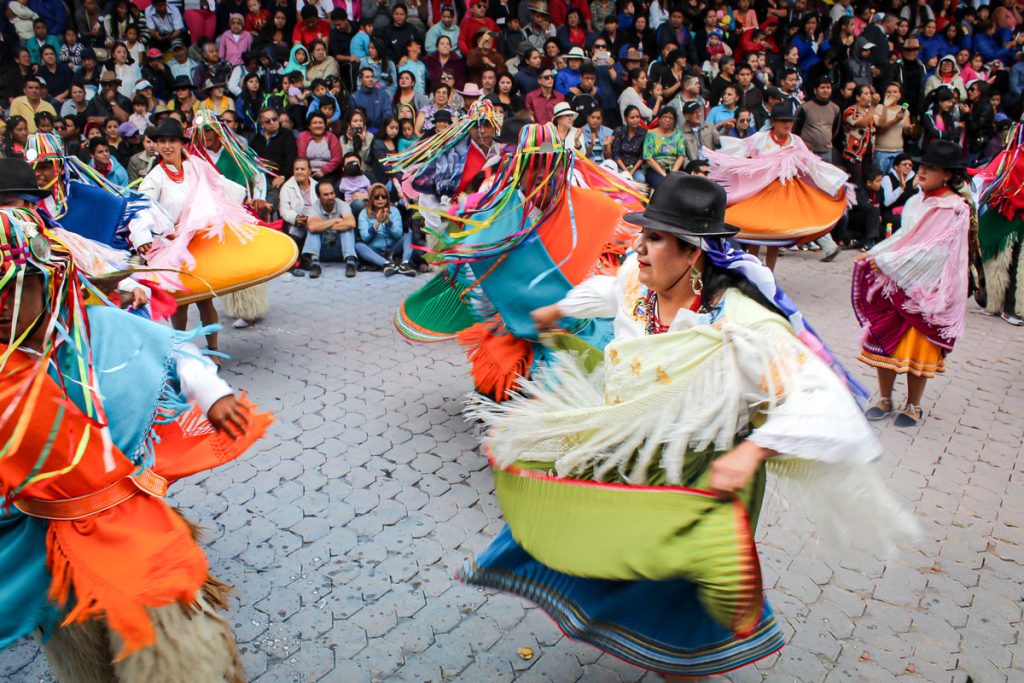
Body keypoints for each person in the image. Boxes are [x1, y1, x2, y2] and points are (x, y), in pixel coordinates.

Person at [465, 172, 913, 681]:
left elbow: (818, 395)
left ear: (693, 253)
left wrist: (753, 452)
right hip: (633, 454)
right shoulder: (640, 277)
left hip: (698, 478)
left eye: (655, 238)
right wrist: (559, 310)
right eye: (643, 233)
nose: (639, 247)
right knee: (612, 551)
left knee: (679, 603)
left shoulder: (738, 322)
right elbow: (612, 289)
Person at [0, 157, 271, 682]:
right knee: (82, 658)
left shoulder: (96, 329)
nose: (5, 305)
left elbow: (169, 353)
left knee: (174, 654)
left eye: (17, 289)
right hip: (50, 544)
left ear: (49, 280)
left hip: (129, 526)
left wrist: (214, 396)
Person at [853, 140, 973, 427]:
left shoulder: (954, 209)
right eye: (922, 166)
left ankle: (913, 405)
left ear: (947, 175)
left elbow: (933, 251)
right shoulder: (915, 200)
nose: (922, 172)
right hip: (898, 281)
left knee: (918, 345)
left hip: (926, 288)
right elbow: (903, 238)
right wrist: (876, 254)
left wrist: (887, 262)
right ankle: (884, 398)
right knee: (884, 339)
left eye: (931, 168)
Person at [138, 117, 254, 356]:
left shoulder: (196, 166)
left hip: (201, 241)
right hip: (171, 247)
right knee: (180, 303)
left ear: (182, 144)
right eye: (161, 142)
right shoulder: (154, 178)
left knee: (205, 300)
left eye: (172, 141)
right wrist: (145, 236)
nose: (167, 146)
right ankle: (180, 350)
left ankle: (213, 351)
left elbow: (220, 184)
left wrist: (240, 201)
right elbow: (141, 208)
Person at [356, 182, 415, 276]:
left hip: (392, 248)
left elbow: (398, 234)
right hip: (374, 250)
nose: (380, 199)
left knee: (408, 235)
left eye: (383, 196)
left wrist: (388, 223)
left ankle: (405, 264)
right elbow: (365, 238)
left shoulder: (394, 211)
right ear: (371, 199)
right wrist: (377, 223)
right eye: (376, 197)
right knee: (358, 246)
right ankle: (386, 264)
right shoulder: (364, 213)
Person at [304, 178, 358, 277]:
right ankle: (315, 264)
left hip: (341, 250)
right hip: (321, 251)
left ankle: (350, 262)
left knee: (347, 229)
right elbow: (311, 227)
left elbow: (351, 223)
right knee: (313, 231)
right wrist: (335, 220)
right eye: (326, 194)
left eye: (332, 193)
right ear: (318, 197)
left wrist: (322, 225)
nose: (330, 197)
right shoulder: (314, 207)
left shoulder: (342, 204)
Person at [794, 76, 840, 163]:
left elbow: (835, 129)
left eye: (828, 87)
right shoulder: (805, 108)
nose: (825, 90)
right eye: (822, 87)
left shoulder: (835, 108)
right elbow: (796, 129)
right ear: (815, 90)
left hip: (827, 151)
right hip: (807, 151)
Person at [610, 104, 647, 181]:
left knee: (640, 179)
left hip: (636, 168)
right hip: (620, 167)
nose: (635, 120)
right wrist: (626, 171)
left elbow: (643, 156)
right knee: (620, 180)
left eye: (637, 117)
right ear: (626, 119)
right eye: (632, 117)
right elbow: (615, 154)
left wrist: (632, 172)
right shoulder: (619, 131)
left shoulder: (644, 133)